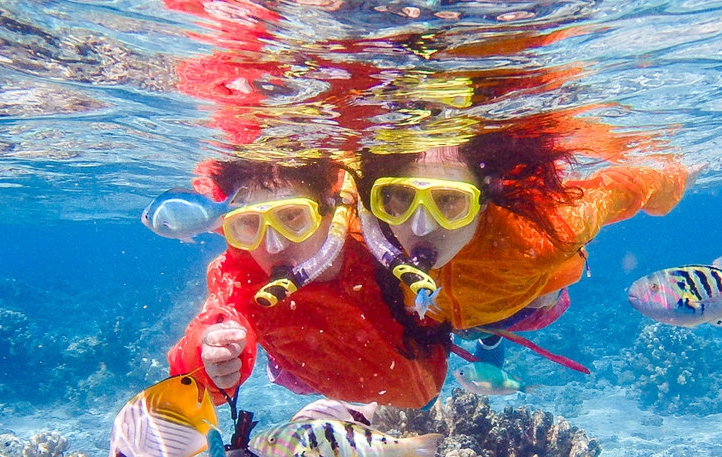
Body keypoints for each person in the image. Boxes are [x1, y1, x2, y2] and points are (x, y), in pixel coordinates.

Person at [356, 122, 688, 363]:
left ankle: (489, 336)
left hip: (522, 311)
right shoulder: (368, 230)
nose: (420, 225)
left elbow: (627, 187)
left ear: (484, 201)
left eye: (449, 201)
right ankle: (477, 334)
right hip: (433, 312)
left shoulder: (545, 231)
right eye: (399, 197)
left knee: (546, 295)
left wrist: (678, 179)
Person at [167, 158, 450, 409]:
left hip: (422, 369)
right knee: (292, 380)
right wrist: (208, 361)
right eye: (249, 223)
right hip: (312, 379)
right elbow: (199, 358)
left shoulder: (382, 237)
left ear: (330, 210)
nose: (274, 245)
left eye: (292, 217)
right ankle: (280, 371)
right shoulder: (240, 279)